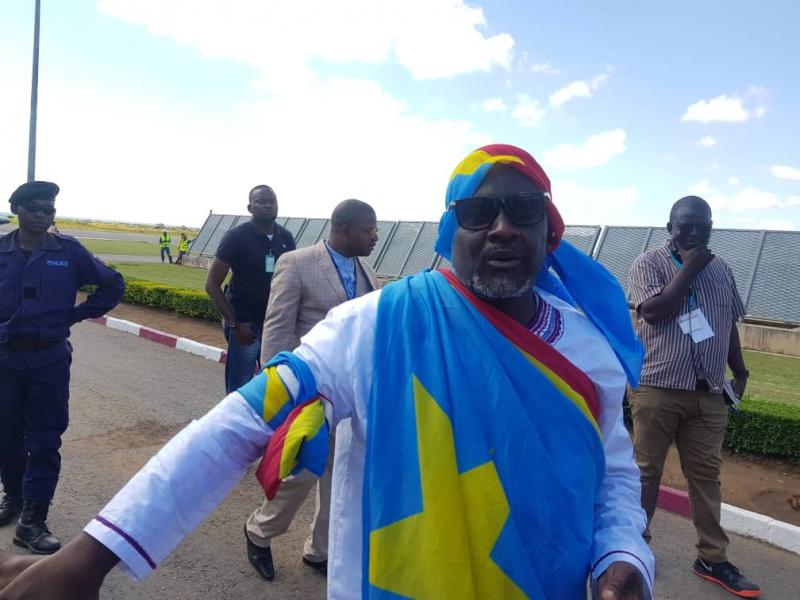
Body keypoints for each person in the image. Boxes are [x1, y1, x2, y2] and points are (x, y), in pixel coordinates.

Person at [0, 146, 654, 600]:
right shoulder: (375, 325)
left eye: (522, 210)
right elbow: (232, 428)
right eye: (480, 213)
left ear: (550, 228)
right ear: (451, 229)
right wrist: (88, 559)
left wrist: (625, 554)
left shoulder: (587, 348)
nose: (503, 227)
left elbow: (615, 474)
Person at [628, 195, 759, 598]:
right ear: (670, 227)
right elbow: (654, 311)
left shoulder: (722, 269)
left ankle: (712, 558)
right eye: (684, 224)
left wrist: (739, 370)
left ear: (710, 225)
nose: (693, 230)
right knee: (645, 474)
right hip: (657, 385)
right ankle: (633, 553)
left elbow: (727, 324)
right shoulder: (647, 264)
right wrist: (688, 268)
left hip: (708, 392)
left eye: (700, 223)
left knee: (706, 478)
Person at [245, 199, 379, 581]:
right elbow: (277, 328)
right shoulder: (298, 262)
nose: (374, 236)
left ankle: (319, 550)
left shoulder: (365, 267)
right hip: (310, 391)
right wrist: (281, 391)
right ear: (345, 228)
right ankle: (259, 530)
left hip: (352, 394)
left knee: (340, 477)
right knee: (302, 472)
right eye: (368, 229)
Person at [0, 181, 124, 555]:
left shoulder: (67, 251)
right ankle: (15, 497)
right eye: (34, 208)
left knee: (44, 437)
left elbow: (112, 285)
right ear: (16, 209)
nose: (42, 216)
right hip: (4, 359)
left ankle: (33, 522)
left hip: (48, 360)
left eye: (48, 210)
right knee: (6, 436)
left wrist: (74, 315)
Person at [205, 185, 295, 394]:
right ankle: (236, 426)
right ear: (250, 207)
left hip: (276, 324)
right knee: (240, 389)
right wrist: (235, 324)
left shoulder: (286, 238)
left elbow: (293, 280)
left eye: (272, 201)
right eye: (261, 202)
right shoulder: (236, 237)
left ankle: (267, 427)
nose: (268, 206)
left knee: (275, 385)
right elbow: (211, 285)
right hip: (246, 326)